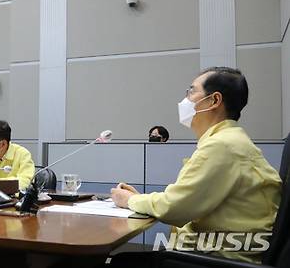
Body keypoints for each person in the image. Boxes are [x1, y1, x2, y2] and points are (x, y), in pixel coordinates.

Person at [111, 67, 281, 263]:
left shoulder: (222, 145)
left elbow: (174, 208)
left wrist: (128, 200)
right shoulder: (230, 140)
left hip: (218, 259)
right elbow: (182, 201)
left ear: (214, 100)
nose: (186, 99)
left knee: (120, 261)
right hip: (216, 253)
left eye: (191, 91)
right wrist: (140, 199)